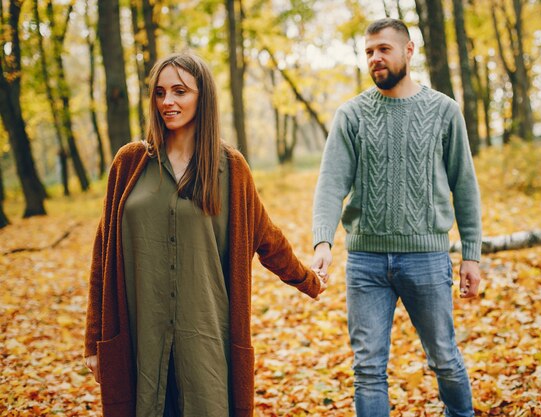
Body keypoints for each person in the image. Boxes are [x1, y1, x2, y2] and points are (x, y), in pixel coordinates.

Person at [84, 52, 326, 417]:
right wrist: (95, 342)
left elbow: (267, 237)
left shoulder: (230, 168)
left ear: (203, 97)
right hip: (139, 337)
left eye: (180, 91)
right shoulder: (130, 163)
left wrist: (309, 280)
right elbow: (102, 255)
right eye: (160, 92)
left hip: (207, 340)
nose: (168, 102)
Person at [311, 18, 482, 417]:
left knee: (443, 356)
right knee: (367, 369)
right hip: (366, 262)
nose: (375, 58)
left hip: (427, 258)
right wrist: (323, 242)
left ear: (409, 51)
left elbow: (465, 186)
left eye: (384, 49)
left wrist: (471, 254)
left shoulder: (444, 111)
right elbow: (331, 183)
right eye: (369, 52)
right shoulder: (351, 115)